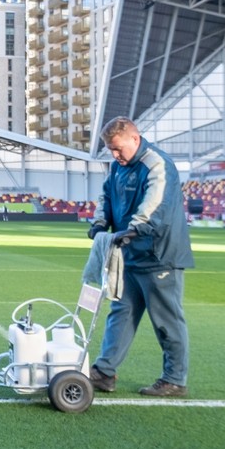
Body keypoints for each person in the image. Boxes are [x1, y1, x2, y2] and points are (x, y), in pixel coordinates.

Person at [87, 117, 194, 397]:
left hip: (158, 254)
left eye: (118, 148)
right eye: (111, 149)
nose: (115, 155)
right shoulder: (117, 167)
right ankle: (104, 372)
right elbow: (106, 196)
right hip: (129, 253)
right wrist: (100, 222)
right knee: (120, 313)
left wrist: (134, 230)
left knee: (166, 320)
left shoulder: (157, 164)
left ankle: (174, 379)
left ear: (135, 139)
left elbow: (156, 204)